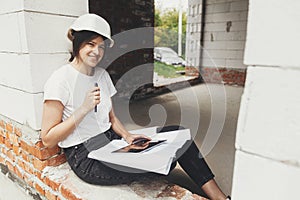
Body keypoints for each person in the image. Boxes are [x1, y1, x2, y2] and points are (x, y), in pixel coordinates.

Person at [41, 13, 230, 200]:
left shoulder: (101, 75)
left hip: (111, 141)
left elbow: (112, 118)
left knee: (179, 135)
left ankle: (220, 198)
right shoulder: (61, 79)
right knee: (165, 160)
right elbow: (48, 139)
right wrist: (83, 109)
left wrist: (128, 136)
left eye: (101, 46)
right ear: (77, 43)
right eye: (90, 44)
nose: (96, 52)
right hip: (85, 156)